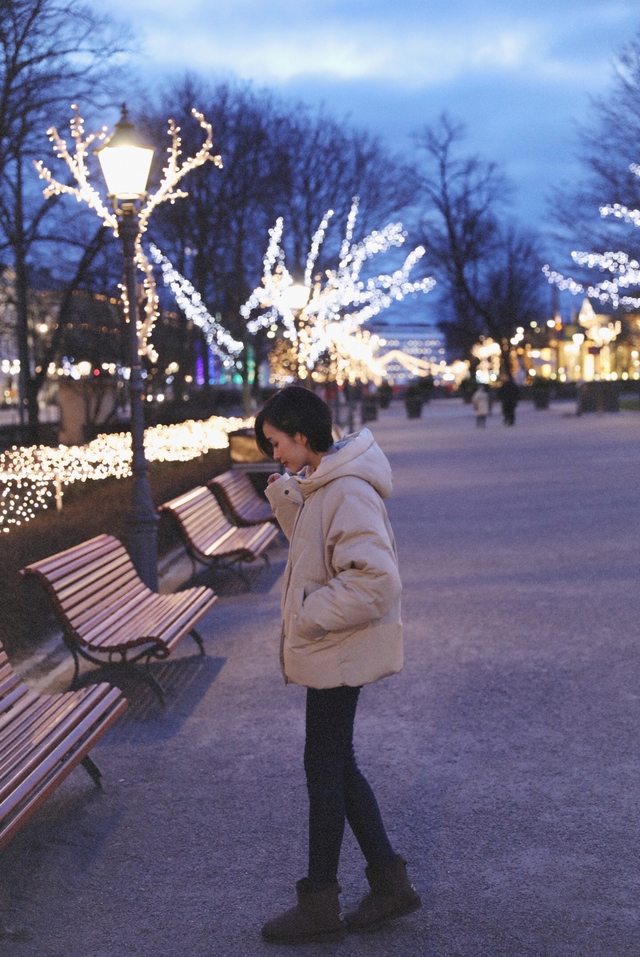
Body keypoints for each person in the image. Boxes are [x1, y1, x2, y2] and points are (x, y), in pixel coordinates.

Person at [254, 386, 421, 945]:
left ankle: (320, 902)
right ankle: (389, 883)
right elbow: (319, 552)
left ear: (301, 436)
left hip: (337, 646)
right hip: (335, 647)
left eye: (277, 443)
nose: (274, 454)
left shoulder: (346, 489)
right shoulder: (324, 483)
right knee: (336, 766)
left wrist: (306, 615)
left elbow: (376, 580)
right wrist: (287, 498)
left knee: (323, 769)